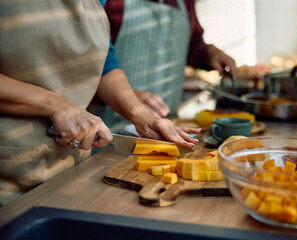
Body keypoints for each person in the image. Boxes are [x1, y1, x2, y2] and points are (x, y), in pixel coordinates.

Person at [0, 0, 200, 205]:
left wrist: (142, 116)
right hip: (10, 170)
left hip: (74, 165)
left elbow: (104, 64)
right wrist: (55, 105)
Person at [92, 0, 236, 132]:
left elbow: (191, 44)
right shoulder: (104, 3)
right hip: (109, 123)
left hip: (166, 122)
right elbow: (87, 62)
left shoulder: (185, 3)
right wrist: (125, 96)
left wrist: (208, 53)